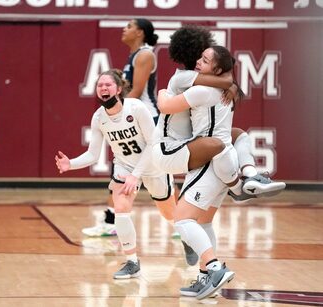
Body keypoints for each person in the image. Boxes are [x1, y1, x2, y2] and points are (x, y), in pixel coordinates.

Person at [153, 25, 285, 298]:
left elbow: (166, 106)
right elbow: (229, 85)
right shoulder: (221, 87)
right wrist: (230, 81)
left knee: (182, 220)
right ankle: (247, 178)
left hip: (203, 158)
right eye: (200, 57)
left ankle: (213, 267)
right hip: (218, 158)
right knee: (203, 222)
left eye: (206, 59)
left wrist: (162, 95)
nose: (200, 61)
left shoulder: (194, 84)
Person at [56, 69, 176, 279]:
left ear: (119, 89)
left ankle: (187, 236)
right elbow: (93, 154)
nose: (103, 88)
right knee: (120, 208)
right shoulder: (99, 118)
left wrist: (136, 175)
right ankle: (132, 262)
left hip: (153, 164)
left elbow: (153, 143)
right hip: (124, 167)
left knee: (170, 215)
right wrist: (70, 164)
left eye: (108, 85)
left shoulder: (136, 108)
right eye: (100, 85)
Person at [82, 18, 161, 237]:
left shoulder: (145, 55)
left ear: (140, 33)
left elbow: (135, 92)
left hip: (145, 117)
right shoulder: (134, 56)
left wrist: (115, 110)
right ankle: (112, 220)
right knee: (122, 171)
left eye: (129, 26)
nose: (124, 29)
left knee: (156, 175)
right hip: (132, 115)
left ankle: (182, 220)